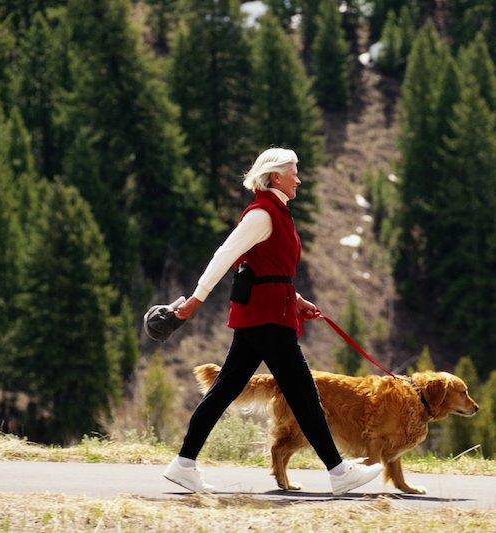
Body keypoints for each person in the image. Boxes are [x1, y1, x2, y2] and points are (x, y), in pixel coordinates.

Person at [162, 147, 383, 495]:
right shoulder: (261, 214)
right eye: (294, 171)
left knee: (226, 389)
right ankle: (339, 472)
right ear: (275, 176)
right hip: (266, 318)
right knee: (303, 392)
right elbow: (226, 255)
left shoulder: (277, 213)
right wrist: (195, 300)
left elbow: (269, 268)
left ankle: (183, 463)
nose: (299, 178)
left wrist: (295, 300)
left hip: (267, 313)